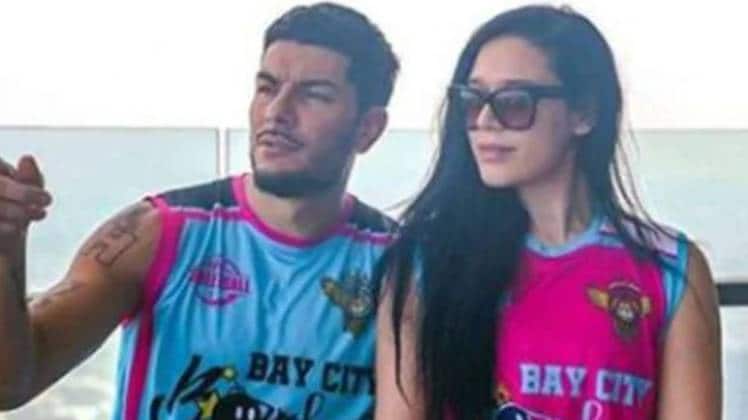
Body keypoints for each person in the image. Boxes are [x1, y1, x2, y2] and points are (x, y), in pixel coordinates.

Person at [0, 3, 399, 419]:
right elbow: (9, 384)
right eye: (267, 88)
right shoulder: (156, 233)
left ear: (368, 128)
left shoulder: (400, 269)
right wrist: (4, 249)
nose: (277, 112)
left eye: (313, 95)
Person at [375, 5, 721, 420]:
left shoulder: (669, 271)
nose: (485, 120)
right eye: (472, 100)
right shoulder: (425, 263)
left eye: (514, 102)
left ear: (584, 113)